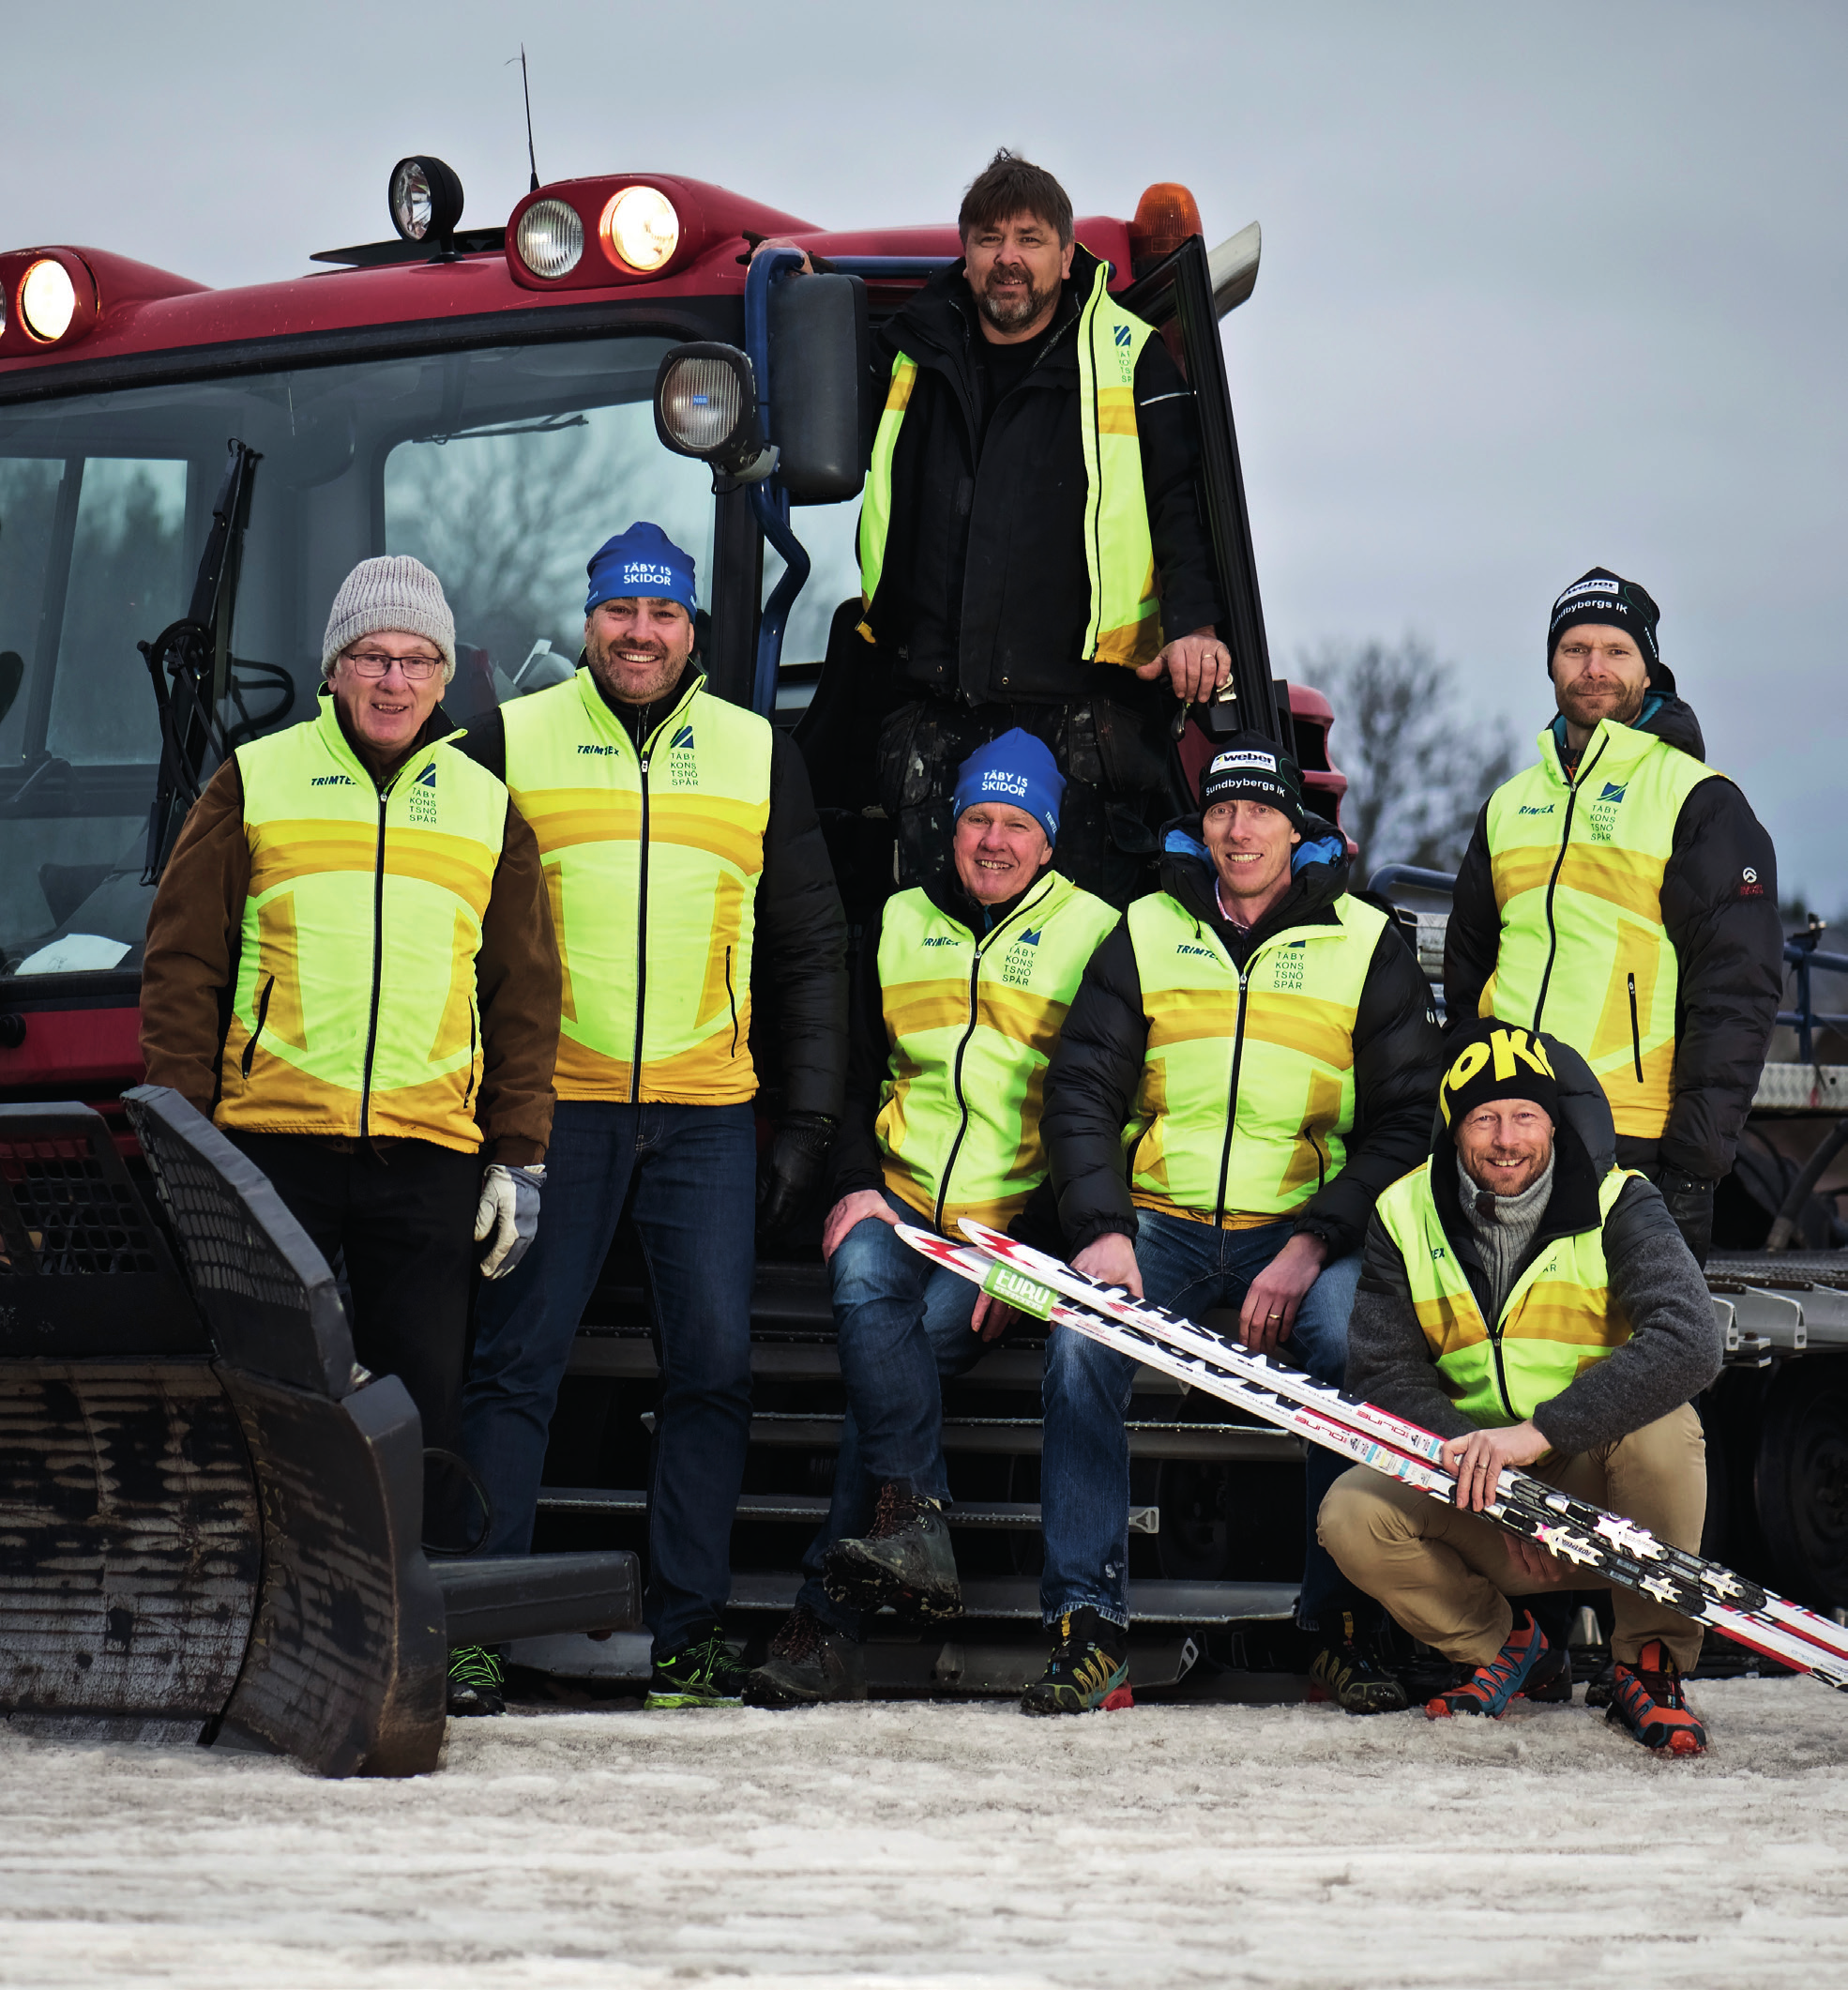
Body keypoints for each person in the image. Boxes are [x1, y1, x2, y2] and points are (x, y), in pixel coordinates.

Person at [138, 554, 560, 1717]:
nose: (392, 677)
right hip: (271, 1155)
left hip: (429, 1162)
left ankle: (405, 1649)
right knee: (277, 1403)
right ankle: (265, 1640)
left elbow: (526, 993)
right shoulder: (255, 780)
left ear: (442, 677)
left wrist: (516, 1157)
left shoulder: (485, 806)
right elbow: (182, 966)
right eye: (371, 655)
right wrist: (181, 1137)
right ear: (334, 669)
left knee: (422, 1404)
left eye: (416, 658)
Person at [459, 522, 847, 1712]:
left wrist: (809, 1123)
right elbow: (451, 922)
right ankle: (474, 1632)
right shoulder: (511, 736)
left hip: (704, 1118)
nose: (639, 634)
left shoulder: (753, 749)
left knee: (714, 1373)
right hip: (556, 1107)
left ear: (692, 628)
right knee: (514, 1366)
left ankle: (686, 1640)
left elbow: (809, 945)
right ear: (586, 624)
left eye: (662, 615)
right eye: (620, 614)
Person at [1032, 734, 1445, 1714]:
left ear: (1293, 827)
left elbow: (1405, 1123)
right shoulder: (1145, 928)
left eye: (1257, 810)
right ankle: (1086, 1628)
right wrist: (1100, 1229)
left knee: (1354, 1347)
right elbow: (1080, 1088)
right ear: (1201, 825)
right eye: (1220, 811)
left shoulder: (1360, 940)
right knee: (1078, 1346)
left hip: (1300, 1230)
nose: (1237, 829)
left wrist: (1312, 1243)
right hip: (1158, 1225)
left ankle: (1342, 1625)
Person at [744, 732, 1119, 1708]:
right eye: (975, 820)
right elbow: (854, 1062)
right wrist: (856, 1178)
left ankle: (826, 1614)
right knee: (861, 1268)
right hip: (899, 1195)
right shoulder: (898, 918)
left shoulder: (1092, 931)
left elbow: (1100, 1106)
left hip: (1004, 1227)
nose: (992, 840)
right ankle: (912, 1518)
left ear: (1047, 840)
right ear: (949, 831)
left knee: (896, 1361)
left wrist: (1028, 1255)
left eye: (1014, 824)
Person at [772, 149, 1226, 905]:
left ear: (1065, 250)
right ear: (966, 251)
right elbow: (814, 401)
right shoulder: (909, 352)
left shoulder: (1128, 357)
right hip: (936, 722)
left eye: (1028, 239)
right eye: (988, 239)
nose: (1007, 259)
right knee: (936, 964)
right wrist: (793, 288)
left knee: (1075, 974)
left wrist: (1193, 624)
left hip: (1081, 728)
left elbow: (1180, 498)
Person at [1319, 1018, 1721, 1755]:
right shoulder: (1402, 1213)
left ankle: (1649, 1665)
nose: (1508, 1138)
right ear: (1455, 1128)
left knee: (1669, 1427)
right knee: (1350, 1512)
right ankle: (1506, 1648)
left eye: (1526, 1115)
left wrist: (1541, 1436)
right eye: (1485, 1117)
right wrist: (1496, 1487)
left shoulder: (1619, 1200)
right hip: (1480, 1486)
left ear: (1554, 1124)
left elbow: (1692, 1340)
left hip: (1597, 1486)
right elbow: (1381, 1374)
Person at [1444, 567, 1782, 1267]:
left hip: (1635, 1146)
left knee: (1635, 1367)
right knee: (1500, 1361)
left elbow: (1735, 996)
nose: (1594, 667)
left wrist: (1694, 1165)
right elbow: (1469, 966)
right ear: (1552, 664)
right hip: (1508, 1142)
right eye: (1575, 650)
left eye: (1616, 650)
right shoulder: (1509, 802)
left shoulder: (1699, 800)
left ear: (1647, 666)